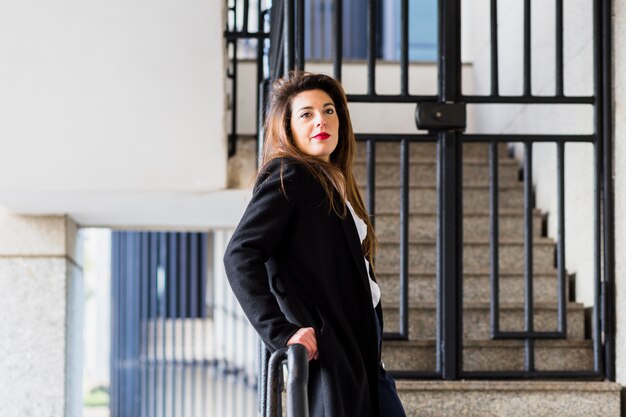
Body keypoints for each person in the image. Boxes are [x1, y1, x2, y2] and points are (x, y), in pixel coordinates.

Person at [223, 71, 406, 417]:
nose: (320, 120)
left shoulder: (334, 183)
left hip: (365, 357)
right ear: (288, 127)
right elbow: (239, 254)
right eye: (306, 114)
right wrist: (281, 332)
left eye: (328, 110)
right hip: (332, 356)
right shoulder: (290, 175)